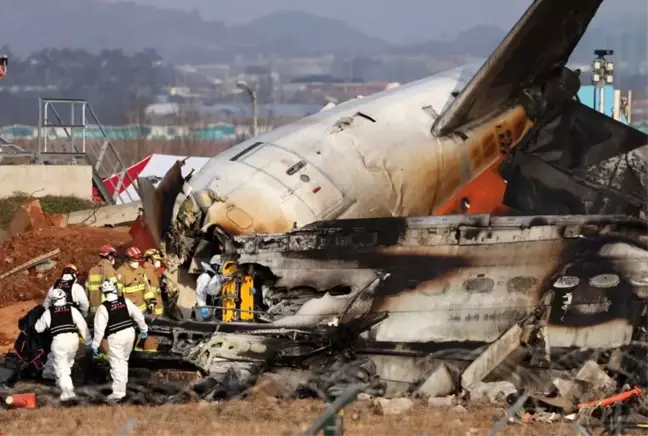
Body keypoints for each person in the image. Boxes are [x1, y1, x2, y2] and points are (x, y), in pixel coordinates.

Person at [91, 279, 148, 401]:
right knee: (124, 361)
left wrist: (95, 344)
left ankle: (118, 393)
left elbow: (99, 329)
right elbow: (138, 315)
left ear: (104, 293)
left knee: (117, 364)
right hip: (129, 334)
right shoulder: (125, 301)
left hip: (116, 337)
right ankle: (123, 386)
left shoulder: (103, 308)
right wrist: (144, 330)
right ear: (115, 289)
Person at [35, 289, 91, 401]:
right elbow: (83, 326)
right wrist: (88, 342)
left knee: (62, 369)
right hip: (73, 341)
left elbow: (38, 328)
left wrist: (37, 319)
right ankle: (60, 386)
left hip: (59, 341)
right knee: (67, 364)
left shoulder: (49, 312)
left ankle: (68, 393)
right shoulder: (72, 310)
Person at [86, 245, 121, 314]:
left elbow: (86, 292)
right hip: (108, 311)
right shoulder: (111, 271)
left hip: (94, 312)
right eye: (113, 256)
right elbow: (117, 292)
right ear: (109, 256)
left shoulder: (91, 271)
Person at [116, 247, 149, 313]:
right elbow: (118, 294)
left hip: (143, 311)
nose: (137, 263)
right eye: (134, 260)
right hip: (129, 312)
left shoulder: (141, 270)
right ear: (128, 259)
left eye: (138, 261)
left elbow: (147, 288)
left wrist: (151, 301)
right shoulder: (120, 272)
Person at [194, 254, 223, 321]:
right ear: (215, 265)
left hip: (211, 310)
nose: (220, 268)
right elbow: (200, 293)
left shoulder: (215, 277)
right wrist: (202, 307)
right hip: (204, 310)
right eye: (219, 266)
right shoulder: (205, 276)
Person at [142, 249, 165, 316]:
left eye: (159, 260)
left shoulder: (153, 272)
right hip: (153, 313)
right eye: (156, 259)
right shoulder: (147, 272)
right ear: (149, 260)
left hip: (157, 311)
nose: (158, 262)